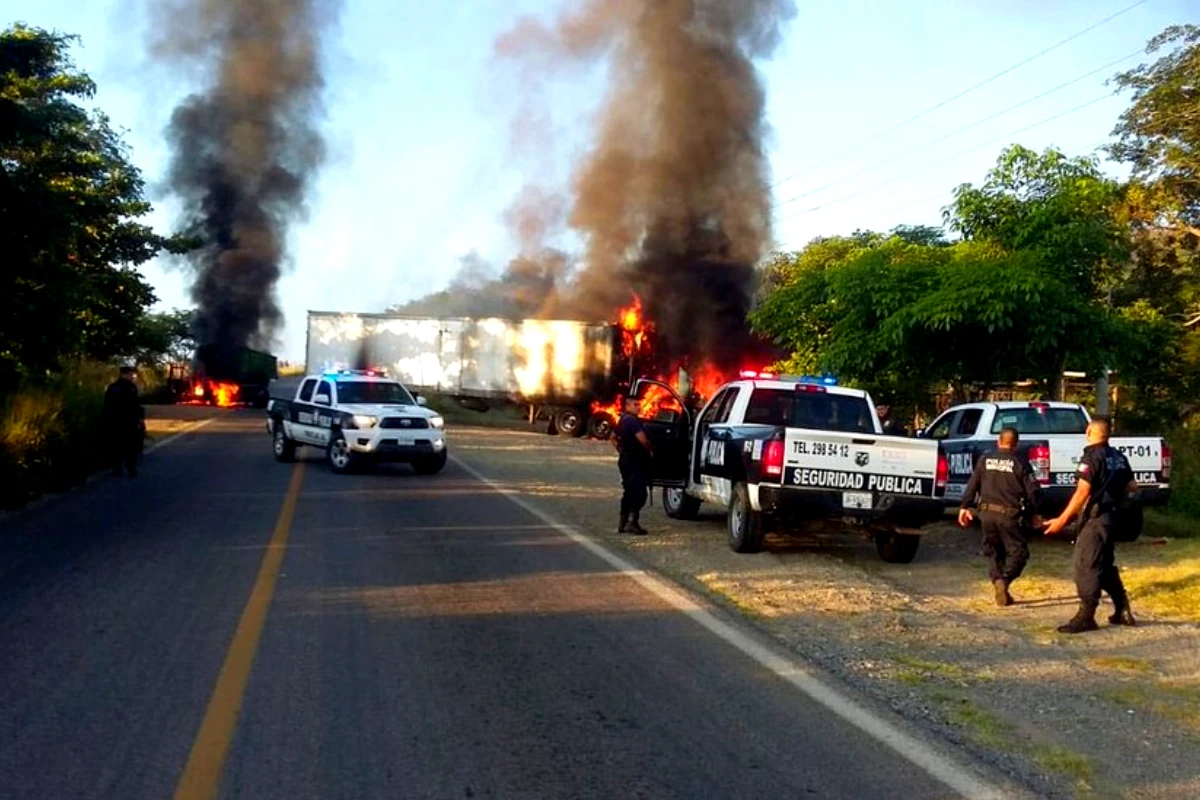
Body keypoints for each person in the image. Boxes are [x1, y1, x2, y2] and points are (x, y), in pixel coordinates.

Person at [1044, 418, 1139, 633]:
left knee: (1087, 564)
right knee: (1104, 564)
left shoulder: (1091, 457)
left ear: (1089, 432)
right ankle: (1122, 609)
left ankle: (1086, 616)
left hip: (1096, 518)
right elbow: (1133, 485)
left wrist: (1062, 520)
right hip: (1112, 517)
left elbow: (1082, 492)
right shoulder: (1119, 457)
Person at [957, 427, 1041, 607]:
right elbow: (1033, 492)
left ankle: (998, 583)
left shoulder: (984, 460)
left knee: (994, 552)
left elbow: (973, 485)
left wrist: (965, 507)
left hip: (986, 514)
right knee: (1018, 552)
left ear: (998, 441)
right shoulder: (1020, 463)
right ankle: (1005, 579)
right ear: (1016, 444)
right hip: (1009, 515)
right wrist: (1035, 514)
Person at [613, 396, 653, 535]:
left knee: (628, 492)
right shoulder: (632, 421)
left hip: (625, 460)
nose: (639, 407)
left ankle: (622, 523)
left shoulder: (623, 419)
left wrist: (620, 449)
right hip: (635, 462)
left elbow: (613, 437)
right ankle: (631, 522)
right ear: (627, 406)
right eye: (635, 405)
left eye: (639, 404)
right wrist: (650, 449)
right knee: (639, 493)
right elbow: (643, 440)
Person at [103, 365, 144, 477]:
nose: (132, 376)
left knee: (117, 445)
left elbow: (107, 405)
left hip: (116, 421)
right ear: (124, 374)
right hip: (128, 421)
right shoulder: (130, 387)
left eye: (133, 374)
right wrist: (139, 418)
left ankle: (118, 468)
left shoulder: (112, 387)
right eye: (130, 374)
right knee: (131, 445)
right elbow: (135, 405)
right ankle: (130, 466)